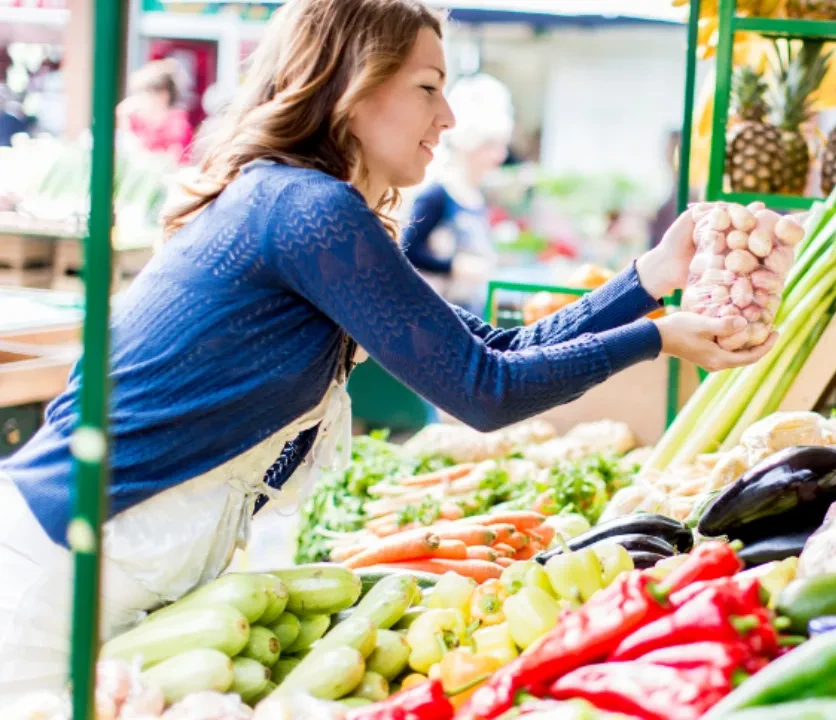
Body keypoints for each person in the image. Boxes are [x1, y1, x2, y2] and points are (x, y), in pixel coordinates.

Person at [0, 0, 775, 693]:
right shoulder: (308, 211)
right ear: (353, 84)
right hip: (55, 574)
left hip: (106, 566)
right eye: (428, 87)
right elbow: (483, 392)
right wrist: (656, 338)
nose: (448, 117)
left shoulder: (303, 204)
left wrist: (650, 277)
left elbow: (493, 350)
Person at [401, 73, 513, 316]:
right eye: (491, 146)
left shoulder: (475, 195)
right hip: (441, 316)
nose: (500, 156)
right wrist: (453, 266)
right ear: (471, 144)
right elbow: (406, 250)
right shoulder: (436, 195)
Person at [117, 58, 194, 163]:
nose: (141, 99)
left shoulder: (176, 122)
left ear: (163, 95)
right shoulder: (137, 120)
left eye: (146, 93)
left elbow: (175, 157)